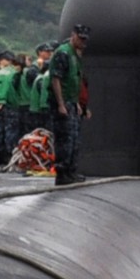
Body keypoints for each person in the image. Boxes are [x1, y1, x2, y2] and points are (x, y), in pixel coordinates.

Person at [46, 23, 90, 185]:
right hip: (62, 102)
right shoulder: (63, 53)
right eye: (81, 39)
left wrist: (77, 103)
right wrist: (61, 104)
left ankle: (71, 171)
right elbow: (56, 79)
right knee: (65, 139)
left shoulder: (75, 55)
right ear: (73, 35)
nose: (83, 42)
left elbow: (75, 81)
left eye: (85, 40)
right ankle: (62, 173)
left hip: (71, 102)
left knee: (73, 139)